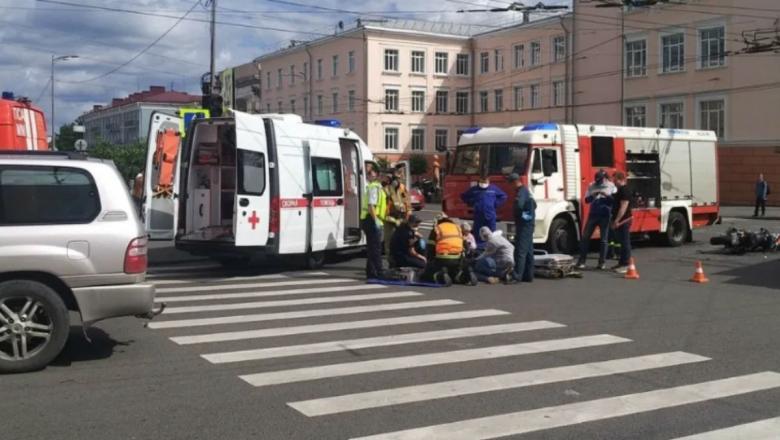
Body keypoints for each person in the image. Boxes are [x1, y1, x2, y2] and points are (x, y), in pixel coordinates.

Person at [576, 170, 616, 270]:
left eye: (600, 180)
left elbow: (614, 200)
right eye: (597, 180)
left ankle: (602, 263)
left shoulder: (611, 186)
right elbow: (586, 200)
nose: (598, 182)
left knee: (603, 240)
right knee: (585, 237)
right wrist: (593, 195)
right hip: (593, 215)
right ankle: (581, 261)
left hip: (605, 215)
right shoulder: (591, 185)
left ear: (605, 178)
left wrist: (605, 195)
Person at [460, 176, 508, 247]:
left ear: (488, 181)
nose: (483, 183)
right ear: (479, 181)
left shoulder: (493, 189)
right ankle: (479, 247)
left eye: (485, 182)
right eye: (482, 182)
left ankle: (491, 246)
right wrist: (471, 202)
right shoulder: (474, 189)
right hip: (478, 214)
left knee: (491, 232)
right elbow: (463, 196)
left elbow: (503, 196)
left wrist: (495, 204)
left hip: (490, 214)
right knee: (478, 231)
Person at [507, 173, 536, 282]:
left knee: (520, 250)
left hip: (524, 225)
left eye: (510, 183)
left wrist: (520, 216)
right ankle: (528, 275)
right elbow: (534, 204)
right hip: (529, 224)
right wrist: (529, 214)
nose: (510, 186)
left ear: (514, 182)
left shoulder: (521, 192)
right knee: (528, 251)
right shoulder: (526, 191)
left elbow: (519, 205)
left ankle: (517, 276)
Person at [360, 166, 387, 279]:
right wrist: (375, 220)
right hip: (372, 220)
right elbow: (371, 206)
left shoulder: (377, 188)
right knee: (376, 248)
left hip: (371, 219)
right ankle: (379, 273)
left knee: (372, 248)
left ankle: (371, 272)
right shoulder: (374, 188)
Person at [384, 171, 412, 266]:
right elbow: (384, 205)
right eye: (396, 178)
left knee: (402, 241)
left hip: (401, 219)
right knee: (389, 242)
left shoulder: (402, 188)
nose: (398, 180)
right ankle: (391, 263)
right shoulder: (386, 189)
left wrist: (407, 215)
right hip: (389, 218)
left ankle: (400, 262)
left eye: (399, 178)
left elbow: (407, 202)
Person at [611, 171, 633, 273]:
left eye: (615, 181)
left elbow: (623, 207)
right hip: (620, 220)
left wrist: (617, 221)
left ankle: (626, 265)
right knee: (621, 242)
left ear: (621, 180)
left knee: (625, 242)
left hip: (624, 220)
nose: (614, 183)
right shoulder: (620, 190)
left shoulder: (625, 191)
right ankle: (621, 263)